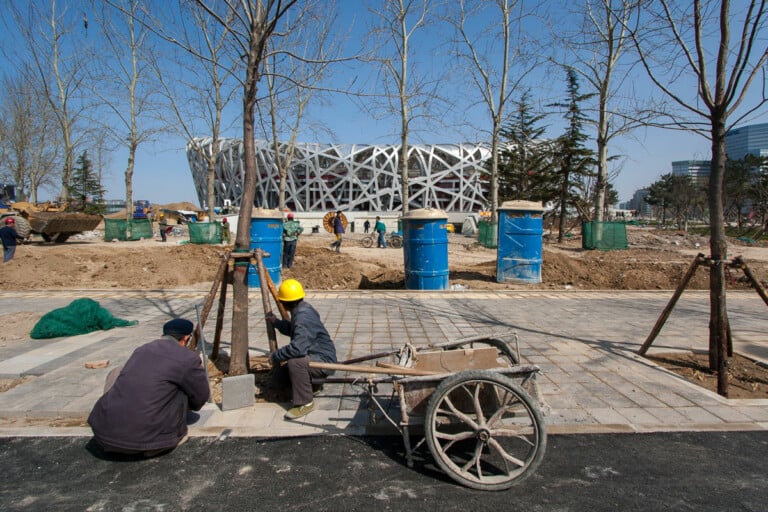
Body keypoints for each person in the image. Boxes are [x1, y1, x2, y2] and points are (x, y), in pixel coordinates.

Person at [87, 318, 210, 457]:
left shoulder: (141, 350)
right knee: (182, 387)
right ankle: (154, 438)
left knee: (118, 371)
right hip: (149, 442)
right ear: (186, 338)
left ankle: (116, 420)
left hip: (103, 436)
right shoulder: (187, 358)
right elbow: (200, 397)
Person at [267, 279, 337, 420]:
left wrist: (275, 355)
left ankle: (305, 403)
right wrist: (277, 323)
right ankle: (313, 386)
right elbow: (295, 331)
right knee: (283, 373)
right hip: (318, 356)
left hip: (323, 361)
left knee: (295, 363)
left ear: (284, 302)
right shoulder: (303, 309)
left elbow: (297, 348)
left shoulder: (302, 317)